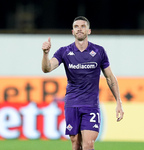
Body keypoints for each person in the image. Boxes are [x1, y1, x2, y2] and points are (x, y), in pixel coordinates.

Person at [41, 16, 124, 150]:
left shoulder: (99, 51)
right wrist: (45, 54)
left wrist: (118, 101)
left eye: (83, 26)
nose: (79, 29)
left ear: (89, 31)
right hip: (72, 104)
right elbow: (47, 68)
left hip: (91, 105)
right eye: (76, 27)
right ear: (72, 31)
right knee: (75, 144)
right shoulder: (64, 51)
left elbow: (110, 77)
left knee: (88, 144)